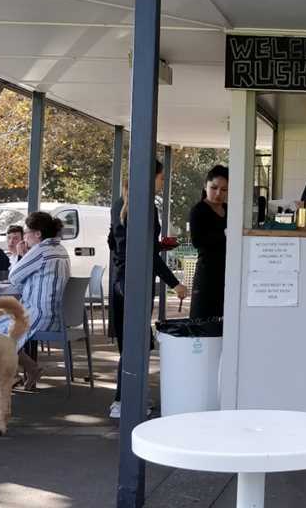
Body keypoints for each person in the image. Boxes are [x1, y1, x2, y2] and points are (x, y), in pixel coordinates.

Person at [108, 159, 189, 419]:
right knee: (139, 344)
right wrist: (175, 283)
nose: (163, 182)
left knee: (129, 343)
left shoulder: (119, 204)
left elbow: (115, 242)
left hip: (121, 280)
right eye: (161, 178)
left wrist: (156, 247)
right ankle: (126, 402)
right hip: (137, 283)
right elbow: (147, 254)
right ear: (149, 177)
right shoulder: (146, 208)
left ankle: (124, 399)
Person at [0, 212, 70, 391]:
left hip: (40, 314)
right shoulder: (60, 249)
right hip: (57, 314)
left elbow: (14, 276)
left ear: (38, 234)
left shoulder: (41, 250)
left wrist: (22, 255)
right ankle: (30, 369)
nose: (25, 237)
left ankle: (10, 376)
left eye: (26, 233)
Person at [188, 165, 229, 320]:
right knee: (202, 322)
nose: (218, 193)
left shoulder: (230, 210)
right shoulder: (199, 210)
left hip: (227, 274)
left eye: (224, 189)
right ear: (205, 186)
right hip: (207, 274)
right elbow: (197, 241)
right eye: (214, 187)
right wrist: (224, 234)